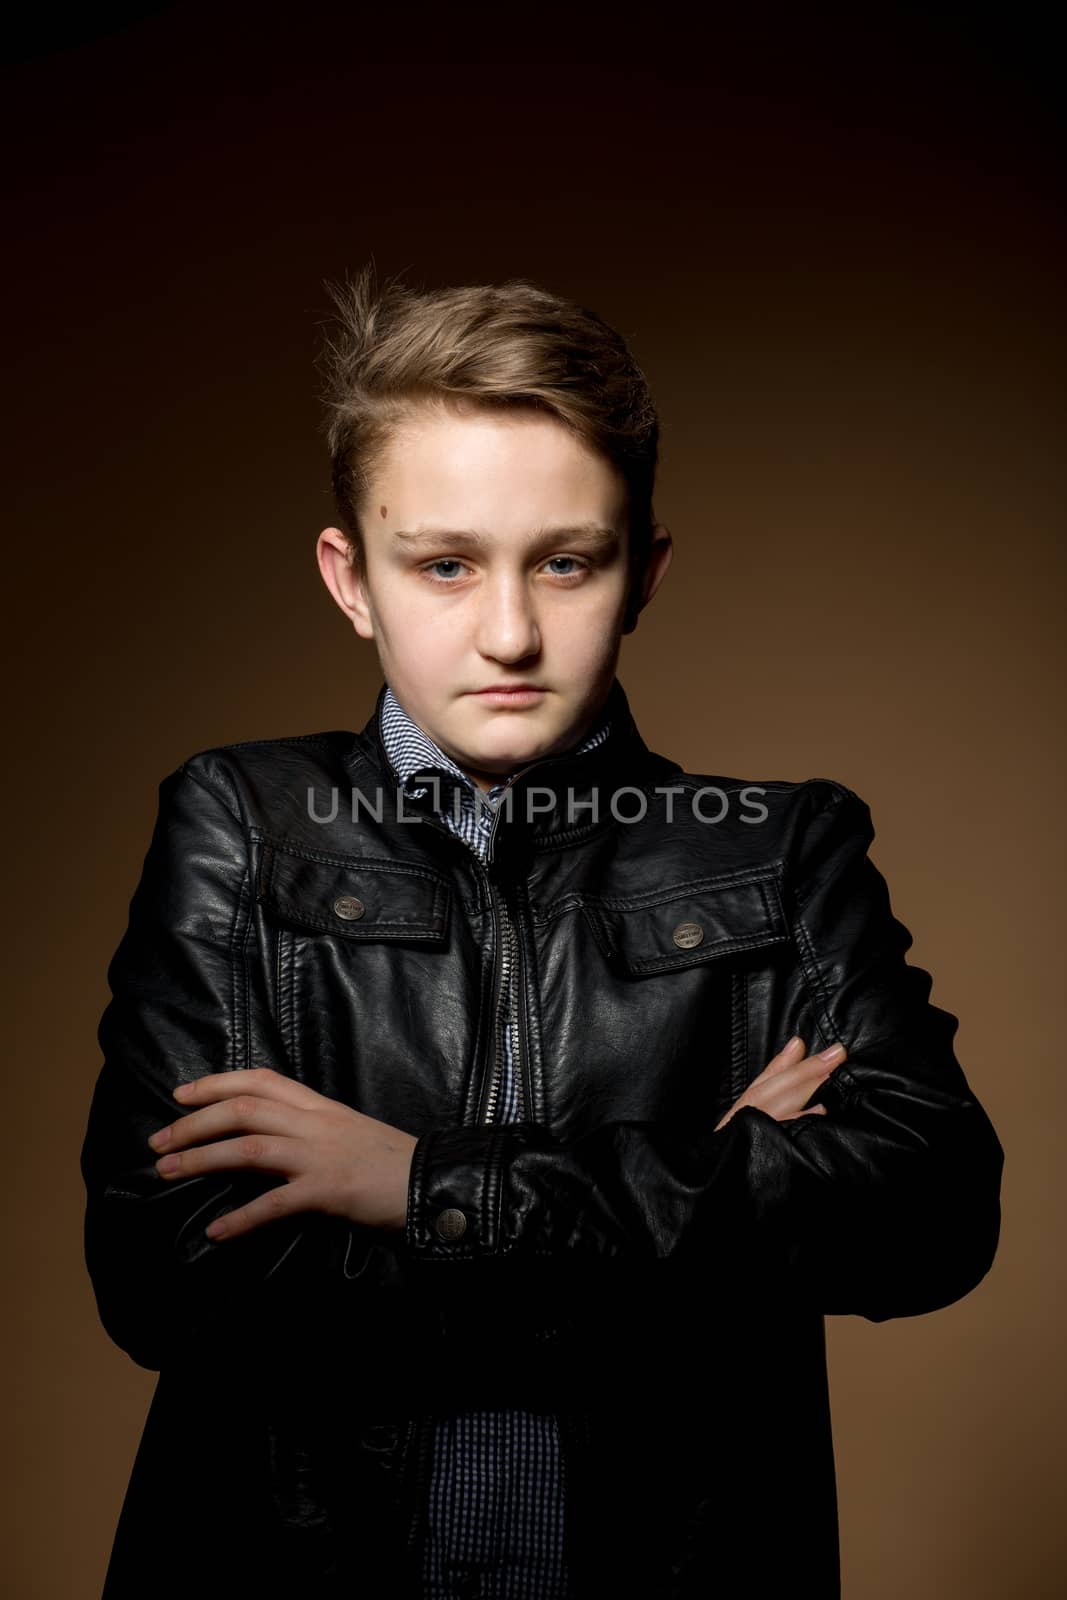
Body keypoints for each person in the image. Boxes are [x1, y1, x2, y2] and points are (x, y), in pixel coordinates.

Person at [80, 266, 1004, 1600]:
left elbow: (929, 1215)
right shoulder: (242, 822)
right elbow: (169, 1281)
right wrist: (710, 1193)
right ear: (351, 579)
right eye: (443, 564)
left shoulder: (780, 847)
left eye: (566, 562)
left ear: (643, 574)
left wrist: (419, 1187)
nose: (508, 632)